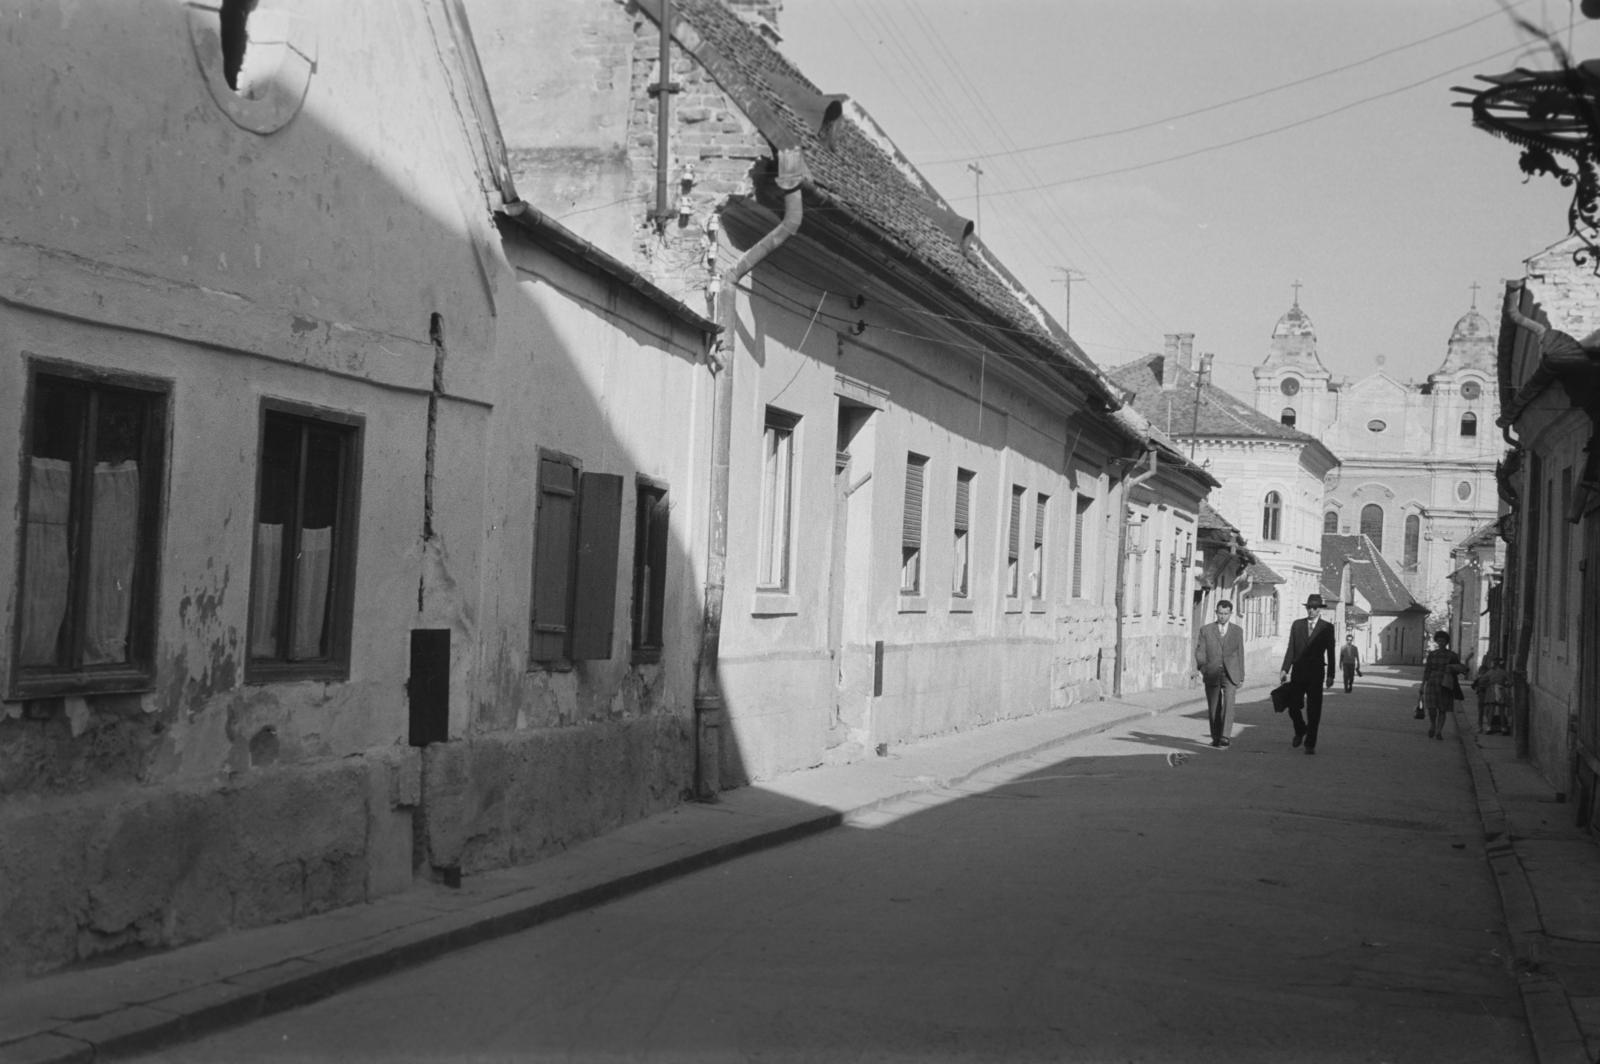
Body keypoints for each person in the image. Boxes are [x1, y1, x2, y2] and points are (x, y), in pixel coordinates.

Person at [1280, 593, 1336, 754]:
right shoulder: (1297, 625)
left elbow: (1331, 652)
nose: (1311, 610)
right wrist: (1285, 669)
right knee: (1293, 706)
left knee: (1314, 710)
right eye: (1309, 607)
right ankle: (1300, 729)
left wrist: (1331, 675)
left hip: (1316, 673)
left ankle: (1310, 743)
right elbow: (1291, 648)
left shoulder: (1327, 628)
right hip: (1298, 672)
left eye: (1315, 608)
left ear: (1320, 610)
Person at [1194, 599, 1245, 748]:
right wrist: (1203, 668)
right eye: (1220, 613)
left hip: (1231, 673)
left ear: (1230, 614)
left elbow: (1240, 653)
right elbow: (1200, 652)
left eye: (1225, 614)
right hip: (1212, 672)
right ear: (1216, 613)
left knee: (1229, 704)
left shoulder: (1237, 631)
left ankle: (1225, 736)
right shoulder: (1206, 630)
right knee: (1214, 706)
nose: (1222, 616)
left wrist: (1241, 675)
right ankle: (1216, 736)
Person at [1421, 630, 1468, 741]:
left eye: (1443, 641)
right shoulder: (1432, 655)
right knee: (1432, 708)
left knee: (1442, 709)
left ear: (1447, 642)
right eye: (1439, 641)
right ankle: (1433, 724)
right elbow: (1427, 670)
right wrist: (1422, 685)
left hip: (1445, 684)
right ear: (1436, 641)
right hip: (1432, 683)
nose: (1441, 643)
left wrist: (1453, 668)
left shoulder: (1452, 655)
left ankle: (1439, 730)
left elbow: (1458, 670)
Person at [1472, 657, 1510, 736]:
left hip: (1492, 691)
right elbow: (1510, 682)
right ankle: (1503, 728)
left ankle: (1489, 728)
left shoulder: (1490, 672)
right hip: (1501, 690)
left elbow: (1481, 680)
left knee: (1491, 710)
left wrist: (1487, 684)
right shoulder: (1503, 672)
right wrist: (1505, 685)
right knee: (1502, 711)